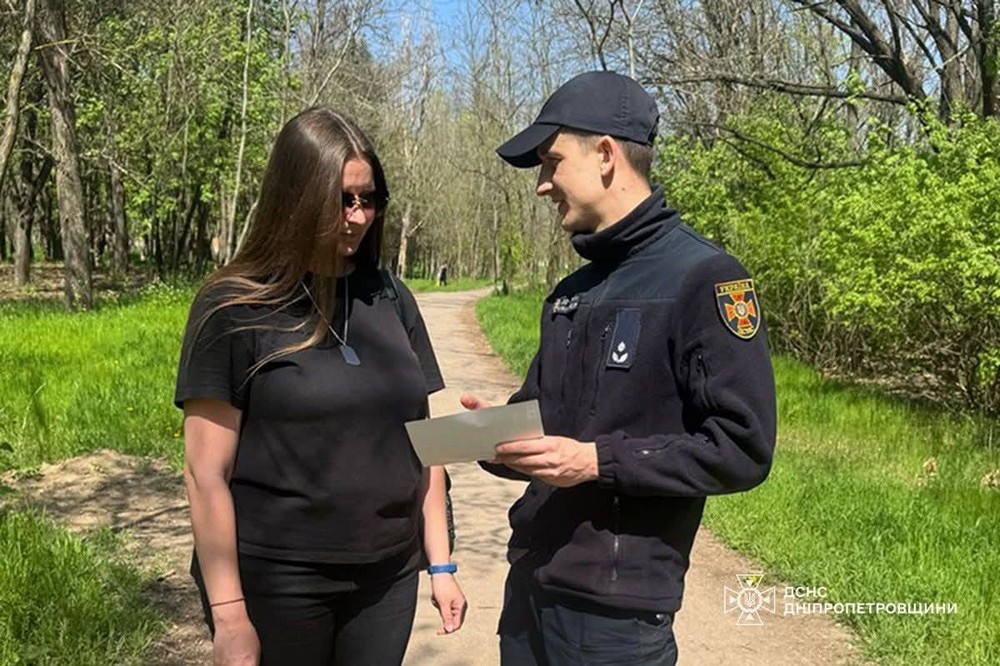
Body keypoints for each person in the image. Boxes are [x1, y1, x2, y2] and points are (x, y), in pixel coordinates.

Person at [462, 71, 776, 665]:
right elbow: (547, 420)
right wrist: (489, 435)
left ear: (606, 154)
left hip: (615, 620)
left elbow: (742, 448)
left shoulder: (705, 278)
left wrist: (594, 462)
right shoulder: (571, 291)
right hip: (530, 587)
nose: (542, 185)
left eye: (551, 162)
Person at [176, 107, 466, 666]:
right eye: (341, 200)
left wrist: (441, 563)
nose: (357, 217)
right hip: (278, 580)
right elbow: (204, 472)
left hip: (387, 577)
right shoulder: (234, 307)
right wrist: (230, 616)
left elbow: (425, 444)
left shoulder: (391, 296)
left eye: (368, 198)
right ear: (296, 197)